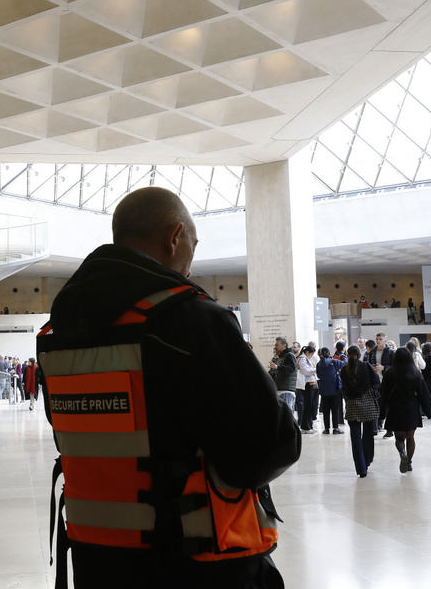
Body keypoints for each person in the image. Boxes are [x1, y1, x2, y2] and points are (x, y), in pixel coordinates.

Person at [37, 186, 300, 588]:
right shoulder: (189, 320)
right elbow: (267, 447)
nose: (191, 264)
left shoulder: (56, 333)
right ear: (174, 236)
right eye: (193, 244)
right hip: (196, 566)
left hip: (97, 562)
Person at [380, 347, 431, 473]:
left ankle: (402, 453)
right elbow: (423, 394)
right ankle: (409, 463)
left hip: (395, 408)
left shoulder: (389, 373)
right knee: (410, 437)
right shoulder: (415, 373)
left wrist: (382, 412)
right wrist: (430, 412)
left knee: (399, 438)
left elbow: (383, 393)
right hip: (411, 408)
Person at [341, 346, 380, 477]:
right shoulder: (366, 366)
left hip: (352, 405)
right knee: (368, 435)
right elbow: (376, 381)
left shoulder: (343, 370)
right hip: (368, 403)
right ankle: (367, 460)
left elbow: (344, 389)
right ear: (359, 355)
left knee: (355, 437)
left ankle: (361, 468)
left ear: (347, 355)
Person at [316, 347, 344, 434]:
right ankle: (336, 428)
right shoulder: (333, 362)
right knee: (335, 409)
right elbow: (344, 363)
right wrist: (343, 356)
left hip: (324, 389)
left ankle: (326, 429)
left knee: (326, 410)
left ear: (320, 354)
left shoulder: (318, 364)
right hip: (334, 389)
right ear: (329, 354)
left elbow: (319, 375)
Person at [296, 344, 319, 434]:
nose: (311, 356)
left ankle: (309, 425)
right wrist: (315, 369)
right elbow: (305, 371)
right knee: (307, 406)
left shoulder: (305, 359)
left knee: (310, 405)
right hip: (306, 384)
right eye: (311, 354)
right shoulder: (302, 359)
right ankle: (305, 427)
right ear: (307, 352)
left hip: (309, 384)